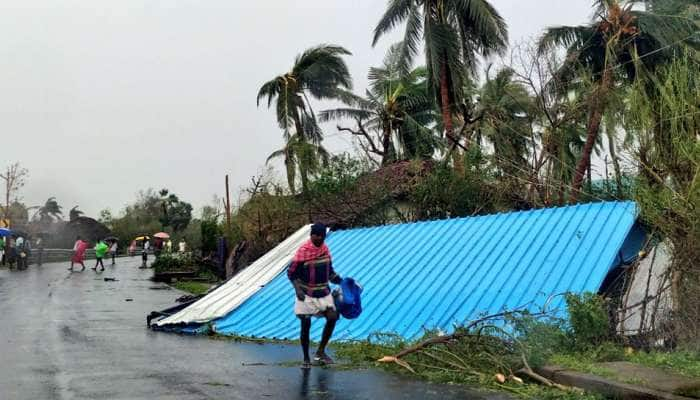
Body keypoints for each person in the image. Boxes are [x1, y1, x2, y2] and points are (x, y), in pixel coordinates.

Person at [287, 223, 342, 369]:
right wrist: (298, 290)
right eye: (316, 235)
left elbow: (330, 272)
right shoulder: (303, 252)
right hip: (306, 294)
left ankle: (320, 351)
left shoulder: (325, 251)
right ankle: (306, 358)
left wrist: (342, 281)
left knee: (333, 317)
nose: (319, 238)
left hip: (323, 292)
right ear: (311, 235)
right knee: (306, 325)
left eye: (322, 236)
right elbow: (291, 274)